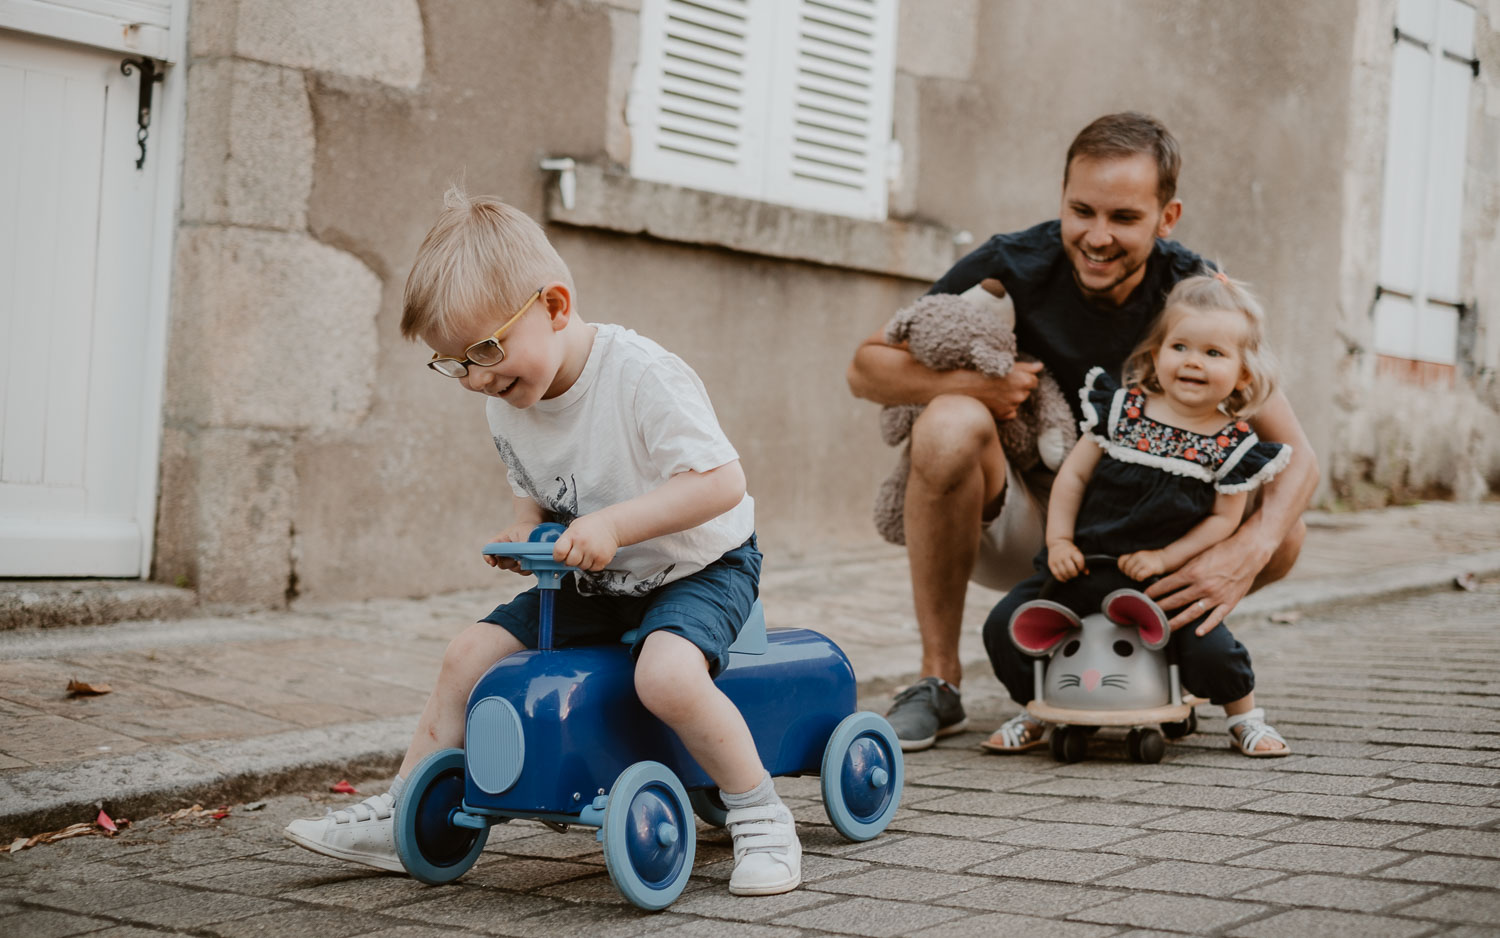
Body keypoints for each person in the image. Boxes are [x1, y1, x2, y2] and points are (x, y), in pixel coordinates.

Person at [283, 188, 800, 896]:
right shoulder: (508, 397)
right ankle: (405, 803)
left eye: (487, 350)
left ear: (555, 307)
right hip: (599, 577)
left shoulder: (642, 377)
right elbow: (540, 483)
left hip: (698, 566)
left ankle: (759, 815)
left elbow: (720, 484)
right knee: (469, 653)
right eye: (455, 363)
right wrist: (528, 528)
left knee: (667, 676)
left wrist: (614, 525)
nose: (477, 377)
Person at [846, 112, 1318, 751]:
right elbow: (865, 367)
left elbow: (1299, 457)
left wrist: (1248, 549)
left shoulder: (1195, 289)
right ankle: (938, 682)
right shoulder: (1012, 262)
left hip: (1146, 547)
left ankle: (1159, 651)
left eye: (1124, 218)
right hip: (1030, 526)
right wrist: (977, 387)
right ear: (1062, 201)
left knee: (1284, 530)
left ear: (1166, 218)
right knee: (949, 421)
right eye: (1081, 211)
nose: (1097, 237)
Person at [983, 271, 1292, 756]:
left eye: (1214, 354)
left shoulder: (1231, 445)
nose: (1193, 362)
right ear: (1156, 354)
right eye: (1181, 347)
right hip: (1083, 566)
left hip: (1161, 580)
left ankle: (1244, 717)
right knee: (1007, 625)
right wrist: (1061, 541)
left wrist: (1167, 558)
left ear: (1243, 374)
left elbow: (1222, 521)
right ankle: (1035, 705)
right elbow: (1074, 477)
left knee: (1209, 645)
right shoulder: (1121, 412)